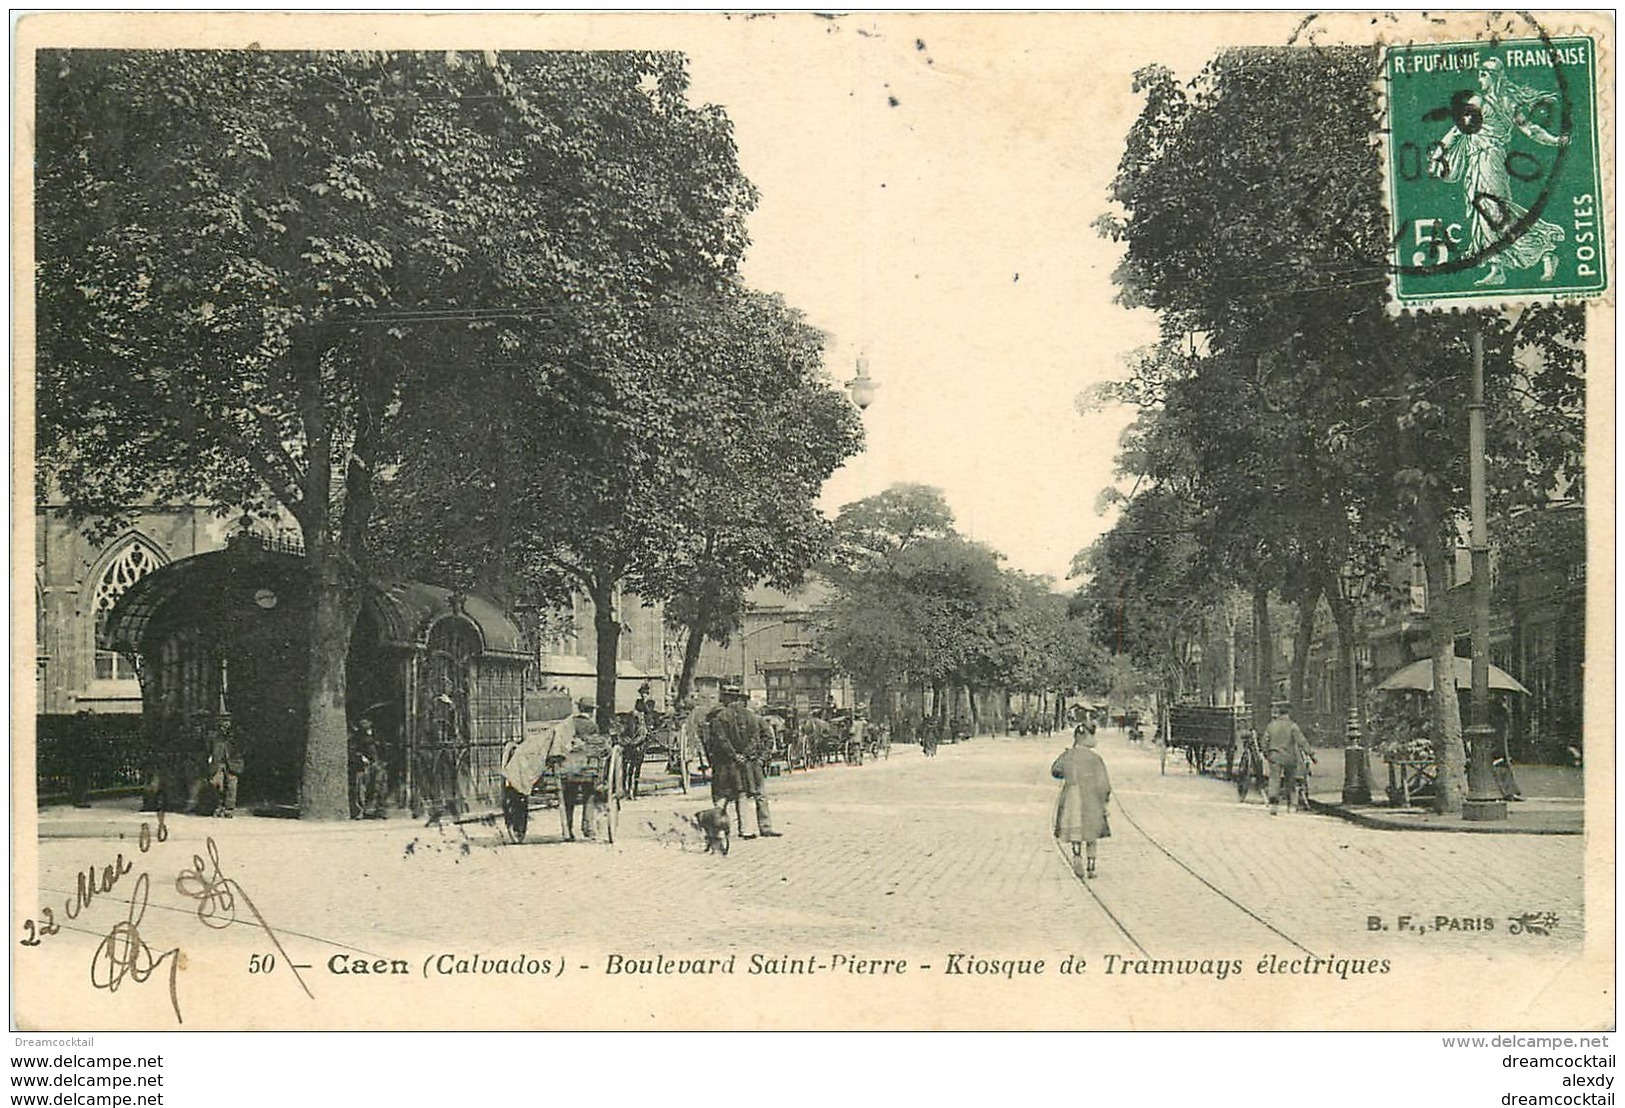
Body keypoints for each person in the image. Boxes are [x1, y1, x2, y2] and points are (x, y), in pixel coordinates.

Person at [1429, 58, 1569, 287]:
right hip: (1475, 162)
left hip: (1492, 160)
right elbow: (1457, 130)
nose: (1480, 78)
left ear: (1495, 77)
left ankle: (1543, 250)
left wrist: (1555, 141)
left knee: (1495, 211)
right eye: (1480, 74)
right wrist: (1439, 150)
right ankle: (1497, 268)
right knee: (1481, 213)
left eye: (1484, 74)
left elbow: (1530, 129)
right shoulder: (1476, 100)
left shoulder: (1507, 103)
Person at [714, 687, 781, 839]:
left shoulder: (719, 718)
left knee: (729, 795)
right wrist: (753, 756)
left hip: (731, 763)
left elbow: (720, 741)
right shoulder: (751, 717)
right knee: (750, 794)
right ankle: (761, 828)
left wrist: (737, 755)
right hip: (750, 762)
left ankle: (723, 829)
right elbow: (757, 739)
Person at [1052, 720, 1111, 879]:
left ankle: (1077, 857)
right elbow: (1103, 783)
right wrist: (1105, 799)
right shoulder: (1095, 758)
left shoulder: (1067, 754)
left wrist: (1068, 771)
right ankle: (1091, 866)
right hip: (1091, 796)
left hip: (1071, 795)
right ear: (1086, 738)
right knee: (1091, 832)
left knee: (1075, 830)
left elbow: (1056, 770)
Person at [561, 697, 609, 841]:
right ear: (591, 711)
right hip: (587, 768)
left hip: (568, 768)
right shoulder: (592, 726)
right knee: (589, 795)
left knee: (569, 798)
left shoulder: (570, 724)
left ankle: (568, 830)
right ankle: (588, 828)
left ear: (580, 709)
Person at [1263, 702, 1312, 816]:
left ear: (1279, 713)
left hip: (1275, 756)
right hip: (1290, 757)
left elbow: (1265, 741)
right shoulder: (1292, 726)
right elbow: (1302, 741)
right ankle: (1292, 806)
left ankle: (1274, 805)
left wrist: (1267, 754)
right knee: (1291, 781)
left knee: (1274, 779)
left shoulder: (1271, 725)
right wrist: (1311, 754)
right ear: (1288, 713)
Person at [351, 717, 389, 819]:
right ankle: (360, 811)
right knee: (361, 788)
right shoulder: (357, 736)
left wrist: (384, 761)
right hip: (364, 765)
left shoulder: (378, 735)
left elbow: (384, 748)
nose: (363, 724)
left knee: (380, 786)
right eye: (361, 722)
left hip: (378, 763)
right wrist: (362, 758)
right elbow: (354, 749)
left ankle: (380, 810)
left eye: (365, 722)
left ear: (370, 723)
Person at [207, 718, 244, 818]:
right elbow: (208, 748)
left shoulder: (235, 735)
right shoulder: (213, 735)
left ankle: (229, 809)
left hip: (232, 763)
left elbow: (243, 746)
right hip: (218, 763)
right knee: (217, 786)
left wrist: (238, 757)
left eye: (227, 721)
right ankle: (218, 807)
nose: (226, 724)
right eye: (223, 722)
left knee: (231, 786)